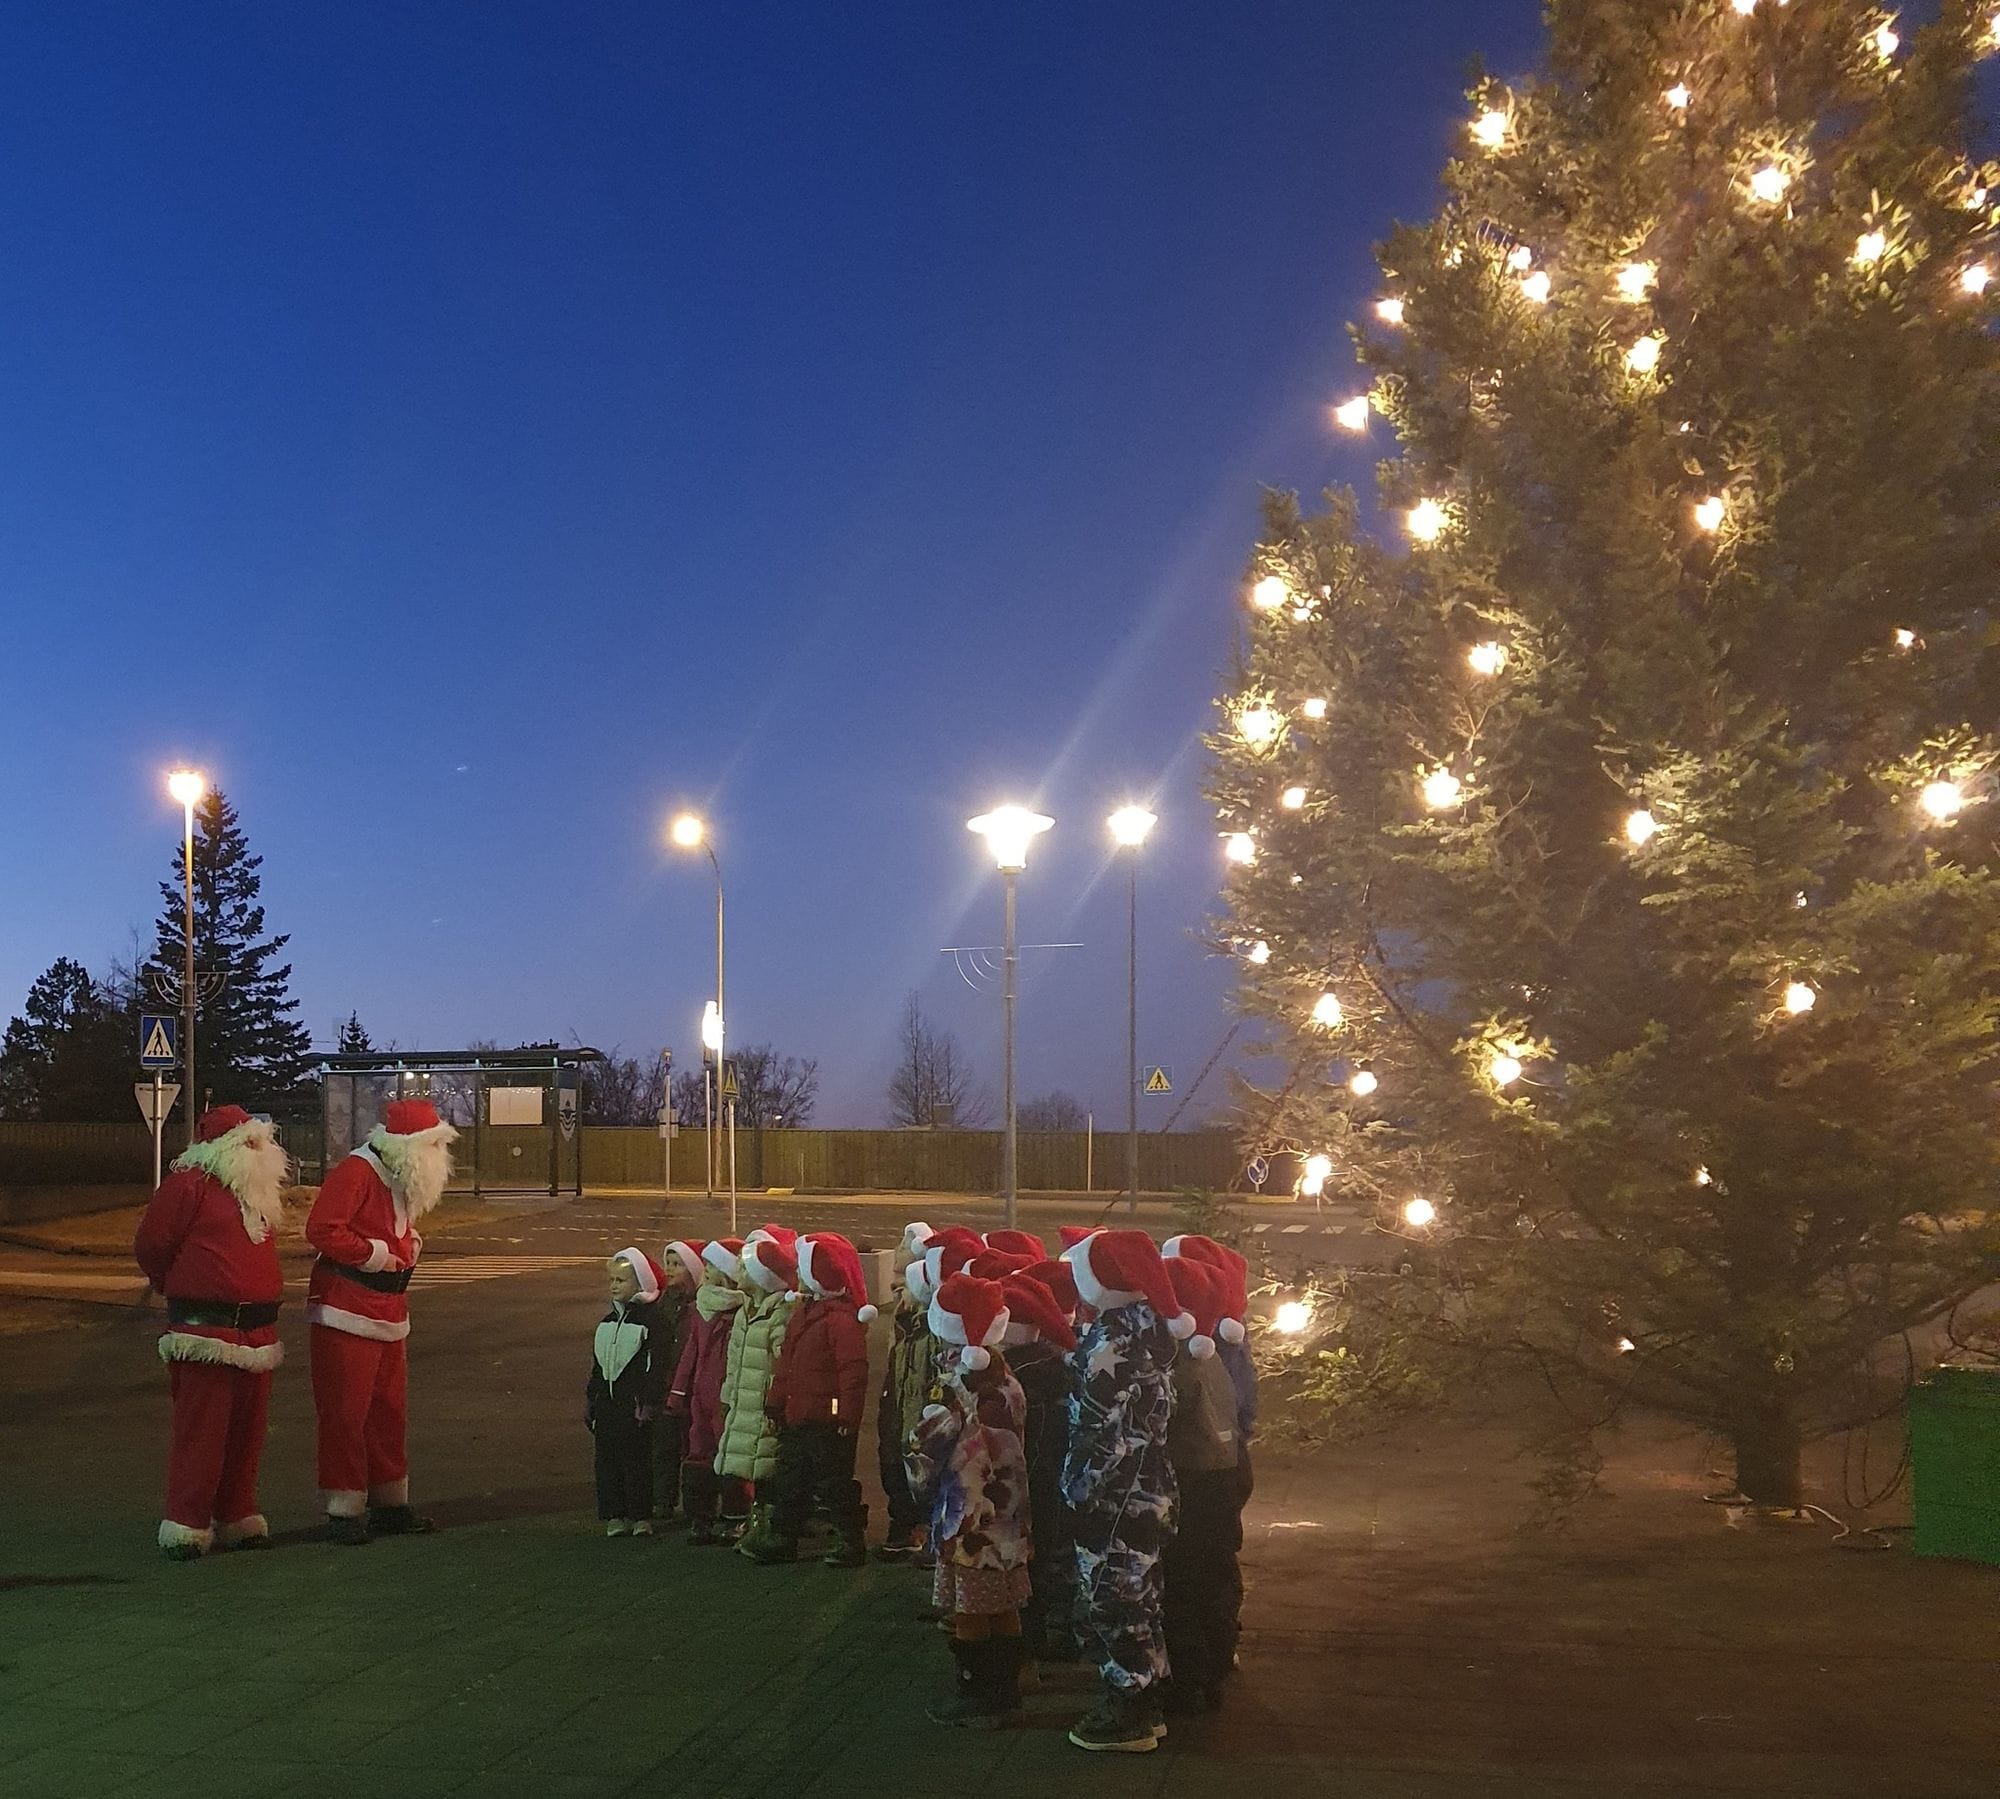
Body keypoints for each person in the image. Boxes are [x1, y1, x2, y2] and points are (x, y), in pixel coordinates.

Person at [1060, 1228, 1196, 1753]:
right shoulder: (1150, 1331)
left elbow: (1100, 1433)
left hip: (1114, 1499)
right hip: (1150, 1488)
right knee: (1143, 1596)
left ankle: (1128, 1710)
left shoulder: (1110, 1343)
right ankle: (1148, 1697)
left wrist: (1078, 1491)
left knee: (1112, 1598)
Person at [133, 1105, 288, 1560]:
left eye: (262, 1142)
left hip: (257, 1332)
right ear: (224, 1148)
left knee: (247, 1433)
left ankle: (237, 1513)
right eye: (250, 1142)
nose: (261, 1150)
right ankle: (188, 1521)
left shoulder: (256, 1194)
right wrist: (183, 1285)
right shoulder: (187, 1186)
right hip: (205, 1331)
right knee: (202, 1432)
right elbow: (152, 1245)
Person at [305, 1097, 457, 1545]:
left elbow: (386, 1224)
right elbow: (322, 1229)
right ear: (409, 1146)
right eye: (433, 1145)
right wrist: (374, 1254)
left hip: (387, 1309)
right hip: (345, 1309)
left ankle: (389, 1502)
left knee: (388, 1411)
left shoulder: (397, 1173)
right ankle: (344, 1508)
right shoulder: (357, 1171)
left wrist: (408, 1243)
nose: (440, 1156)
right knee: (346, 1413)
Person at [908, 1273, 1032, 1729]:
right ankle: (1007, 1689)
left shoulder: (954, 1388)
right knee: (1003, 1605)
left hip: (968, 1522)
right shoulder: (1008, 1380)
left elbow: (926, 1449)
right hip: (1010, 1515)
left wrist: (917, 1486)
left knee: (970, 1609)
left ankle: (977, 1693)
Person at [741, 1231, 876, 1567]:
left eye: (803, 1270)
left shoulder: (839, 1321)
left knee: (833, 1481)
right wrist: (776, 1402)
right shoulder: (806, 1313)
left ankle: (850, 1538)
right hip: (798, 1415)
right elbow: (786, 1364)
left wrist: (847, 1416)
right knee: (791, 1479)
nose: (797, 1276)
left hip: (826, 1419)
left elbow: (852, 1372)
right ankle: (783, 1536)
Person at [1159, 1258, 1243, 1713]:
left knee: (1182, 1585)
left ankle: (1187, 1680)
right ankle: (1215, 1666)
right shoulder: (1211, 1356)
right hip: (1221, 1478)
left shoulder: (1177, 1362)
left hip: (1190, 1481)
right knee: (1214, 1578)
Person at [1011, 1259, 1083, 1664]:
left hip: (1037, 1480)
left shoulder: (1025, 1372)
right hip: (1059, 1478)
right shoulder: (1062, 1361)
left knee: (1043, 1560)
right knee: (1059, 1557)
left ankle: (1041, 1633)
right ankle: (1062, 1629)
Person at [714, 1233, 795, 1542]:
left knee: (765, 1465)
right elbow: (733, 1359)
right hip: (743, 1401)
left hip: (763, 1404)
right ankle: (750, 1521)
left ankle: (766, 1525)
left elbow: (782, 1364)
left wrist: (775, 1401)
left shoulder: (779, 1315)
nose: (739, 1272)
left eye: (745, 1268)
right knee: (744, 1463)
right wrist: (729, 1394)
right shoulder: (745, 1312)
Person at [587, 1249, 671, 1537]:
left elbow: (657, 1366)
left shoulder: (653, 1322)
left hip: (633, 1406)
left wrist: (649, 1401)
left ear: (640, 1283)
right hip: (607, 1405)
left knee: (637, 1461)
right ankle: (615, 1514)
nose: (614, 1286)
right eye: (612, 1280)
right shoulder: (606, 1323)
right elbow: (598, 1368)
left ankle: (640, 1515)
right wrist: (592, 1399)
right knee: (607, 1461)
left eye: (621, 1280)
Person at [667, 1238, 744, 1545]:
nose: (706, 1269)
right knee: (698, 1453)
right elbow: (691, 1354)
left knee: (732, 1456)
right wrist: (678, 1392)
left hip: (728, 1397)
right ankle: (700, 1516)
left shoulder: (741, 1310)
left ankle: (735, 1516)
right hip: (701, 1397)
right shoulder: (702, 1308)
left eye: (712, 1265)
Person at [874, 1243, 938, 1562]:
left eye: (904, 1287)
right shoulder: (906, 1328)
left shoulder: (930, 1334)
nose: (897, 1293)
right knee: (894, 1471)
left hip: (919, 1422)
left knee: (923, 1478)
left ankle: (924, 1531)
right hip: (900, 1416)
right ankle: (903, 1525)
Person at [649, 1240, 703, 1522]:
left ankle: (696, 1504)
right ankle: (664, 1500)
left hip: (692, 1387)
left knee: (694, 1447)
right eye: (668, 1263)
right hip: (666, 1385)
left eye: (677, 1264)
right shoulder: (665, 1302)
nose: (669, 1269)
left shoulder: (700, 1306)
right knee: (665, 1446)